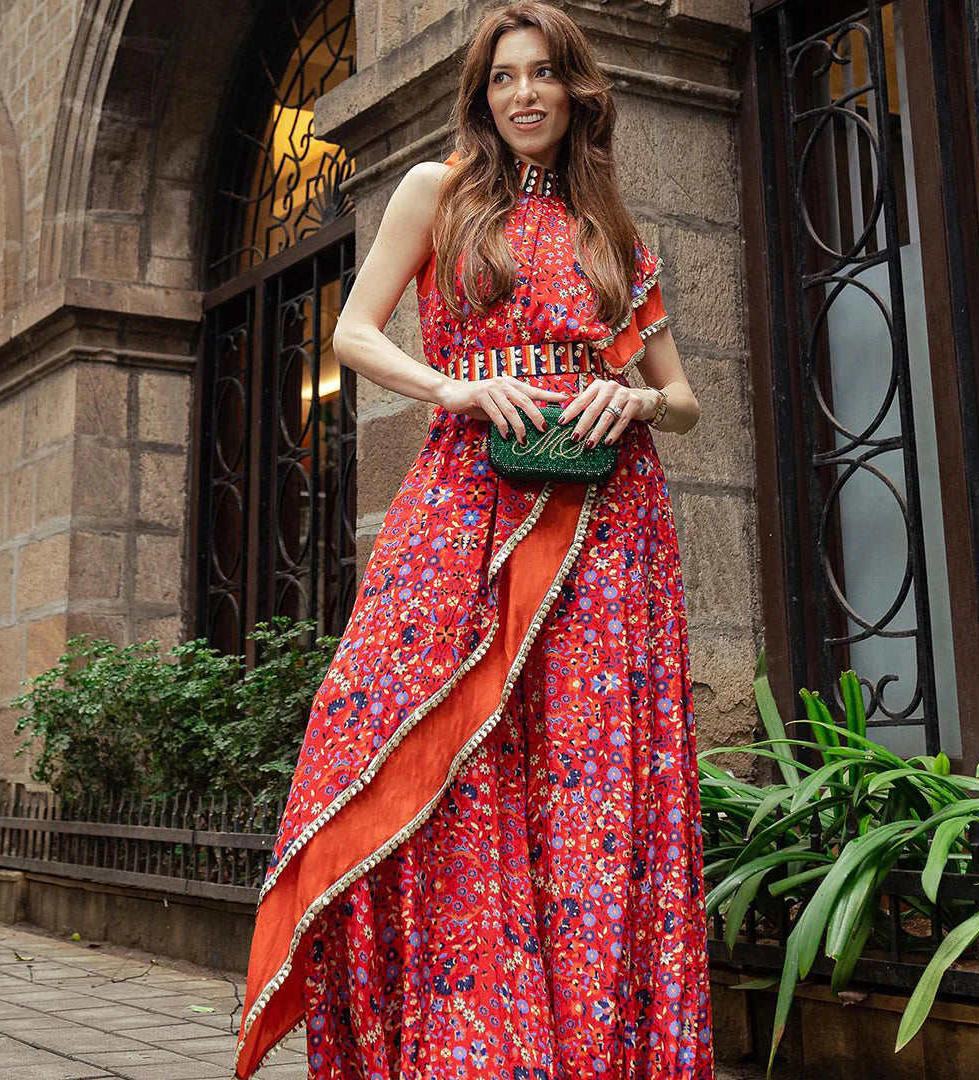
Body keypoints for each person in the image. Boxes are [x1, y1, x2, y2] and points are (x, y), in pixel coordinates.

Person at [234, 1, 714, 1076]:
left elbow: (682, 398)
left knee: (588, 781)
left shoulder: (614, 236)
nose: (524, 95)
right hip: (467, 500)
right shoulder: (435, 194)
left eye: (543, 74)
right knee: (422, 740)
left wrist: (633, 406)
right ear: (481, 94)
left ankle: (590, 1047)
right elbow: (354, 332)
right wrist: (453, 383)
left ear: (577, 90)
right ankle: (471, 1043)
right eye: (504, 78)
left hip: (608, 522)